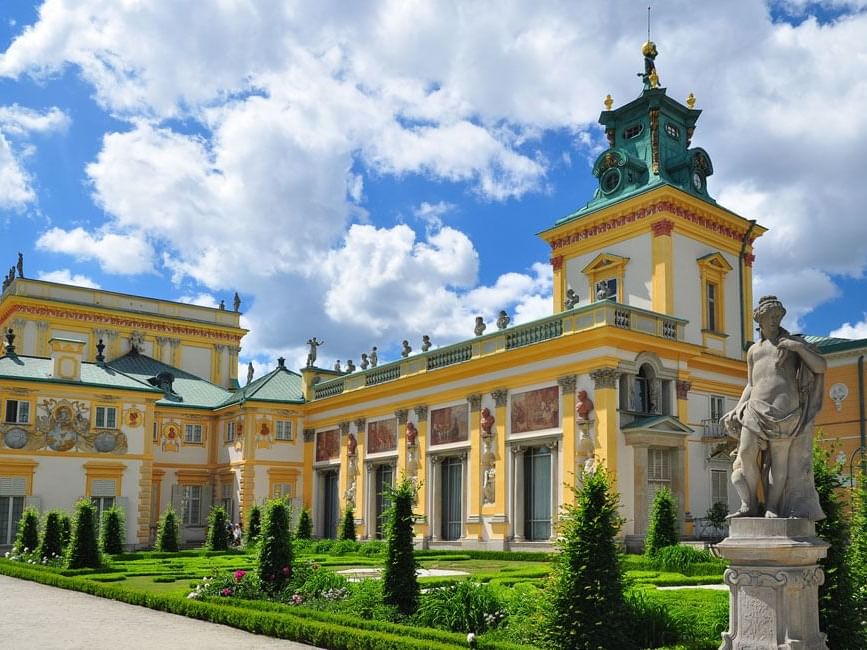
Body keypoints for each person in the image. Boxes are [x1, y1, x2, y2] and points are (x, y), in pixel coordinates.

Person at [721, 296, 826, 520]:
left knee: (779, 464)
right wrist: (737, 408)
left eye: (777, 317)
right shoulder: (753, 351)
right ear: (759, 319)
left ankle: (773, 506)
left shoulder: (792, 345)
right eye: (770, 317)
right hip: (755, 408)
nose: (774, 321)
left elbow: (820, 366)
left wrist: (798, 348)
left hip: (785, 412)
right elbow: (751, 383)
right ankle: (748, 504)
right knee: (746, 454)